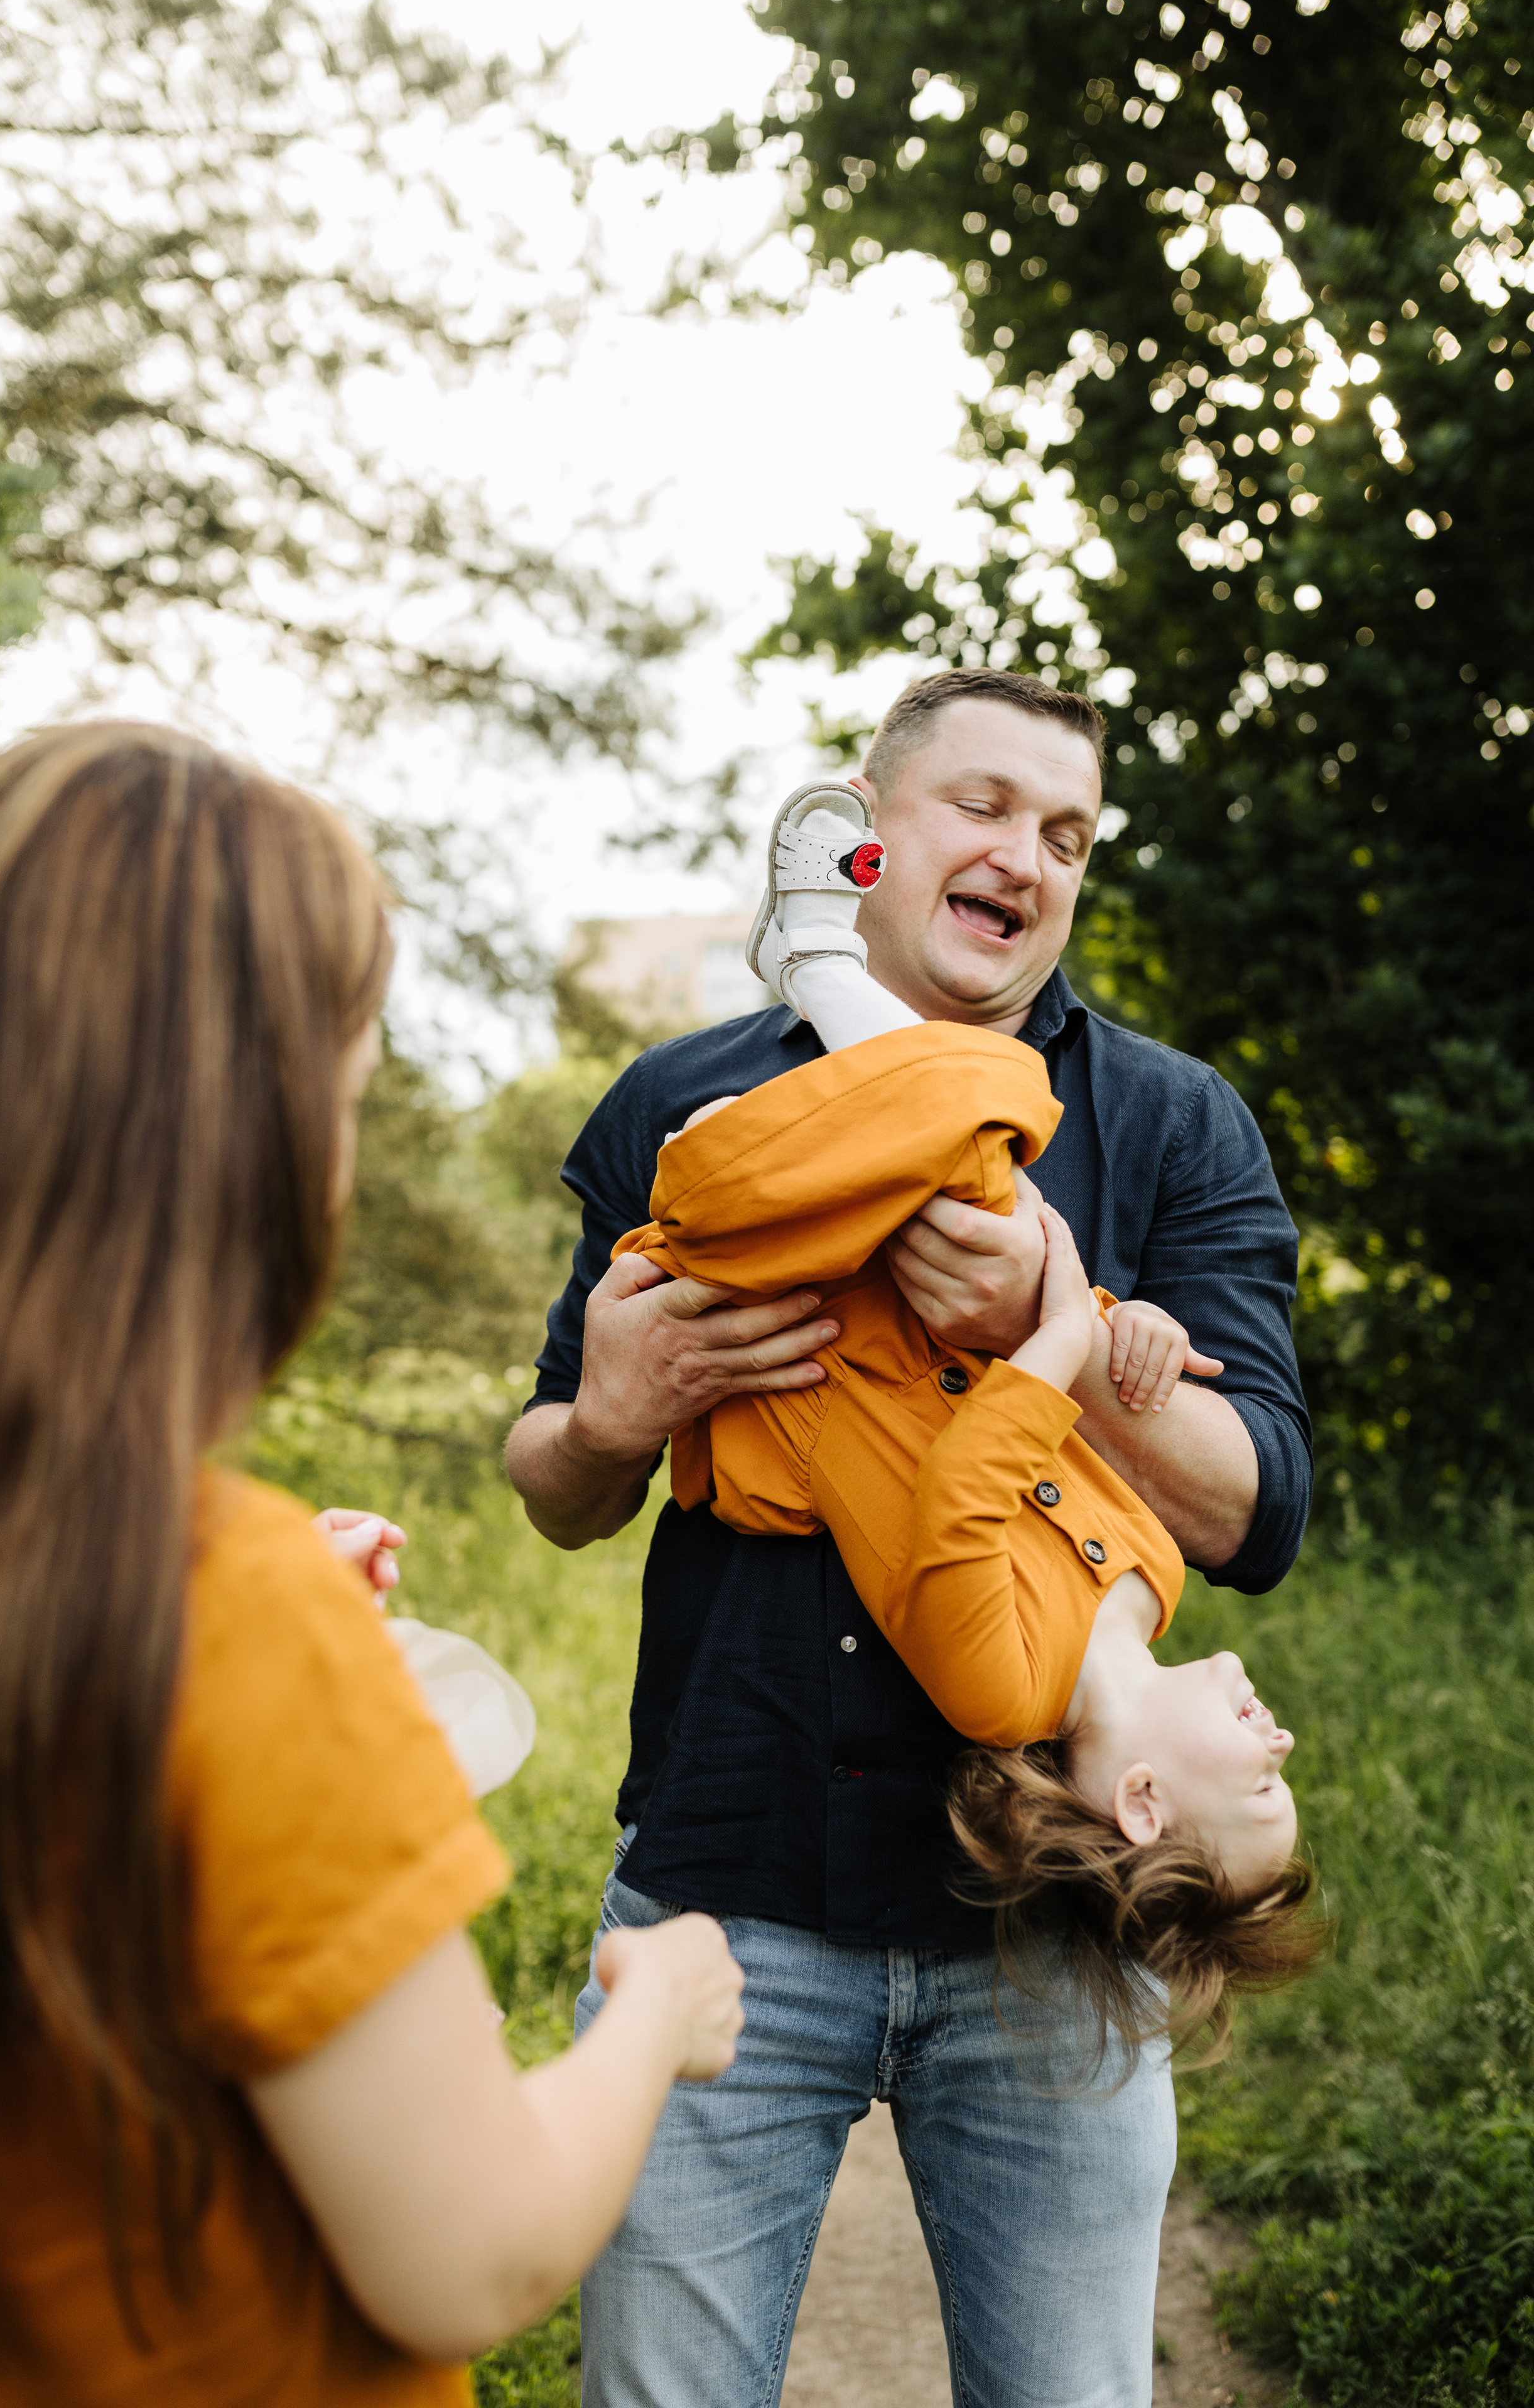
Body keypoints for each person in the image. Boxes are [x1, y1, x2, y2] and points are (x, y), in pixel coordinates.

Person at [505, 666, 1314, 2408]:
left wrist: (1070, 1330)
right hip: (730, 1884)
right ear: (875, 820)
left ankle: (861, 1032)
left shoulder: (1175, 1124)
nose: (1030, 853)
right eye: (990, 807)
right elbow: (557, 1481)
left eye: (1070, 835)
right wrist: (612, 1416)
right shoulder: (678, 1096)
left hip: (1043, 1954)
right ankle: (864, 1036)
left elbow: (1258, 1504)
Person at [0, 721, 745, 2405]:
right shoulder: (220, 1617)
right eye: (349, 1099)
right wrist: (658, 2006)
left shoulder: (60, 1571)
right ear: (246, 1149)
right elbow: (476, 2247)